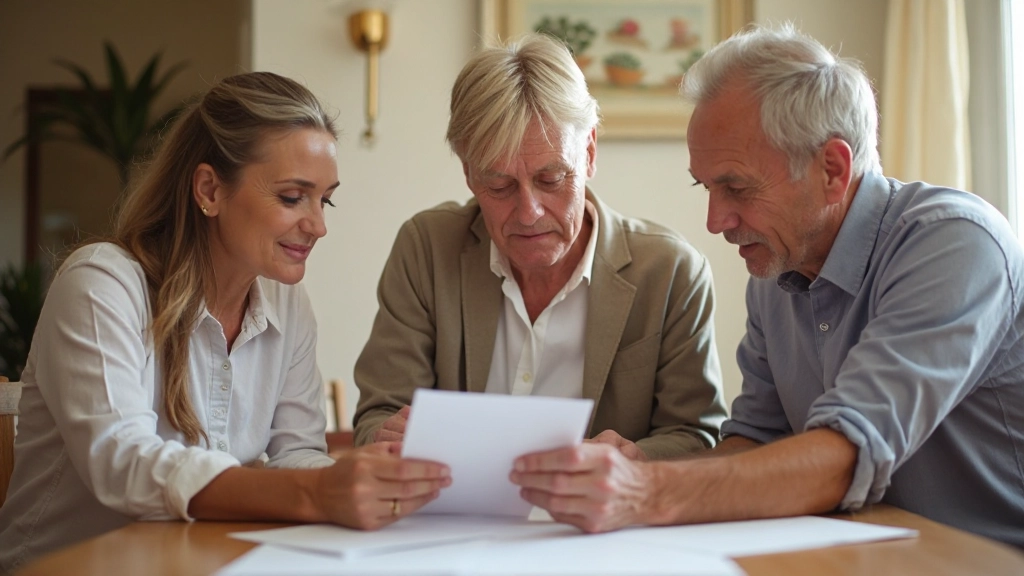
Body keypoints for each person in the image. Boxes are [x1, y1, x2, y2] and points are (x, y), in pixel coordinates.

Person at [509, 24, 1024, 549]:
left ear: (832, 168)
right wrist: (639, 463)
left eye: (735, 186)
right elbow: (755, 444)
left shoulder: (954, 242)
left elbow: (843, 456)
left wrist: (643, 490)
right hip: (866, 553)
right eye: (707, 187)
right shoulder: (776, 269)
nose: (715, 220)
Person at [0, 72, 450, 572]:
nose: (319, 226)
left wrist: (366, 476)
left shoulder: (287, 304)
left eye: (325, 199)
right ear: (210, 189)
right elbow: (123, 464)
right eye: (291, 197)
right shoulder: (101, 284)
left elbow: (295, 454)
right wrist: (319, 490)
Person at [352, 33, 727, 461]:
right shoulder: (426, 249)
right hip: (452, 516)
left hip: (599, 524)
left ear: (588, 154)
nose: (528, 212)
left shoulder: (671, 272)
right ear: (468, 174)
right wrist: (389, 437)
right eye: (499, 185)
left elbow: (698, 436)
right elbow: (375, 417)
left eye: (551, 180)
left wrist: (632, 461)